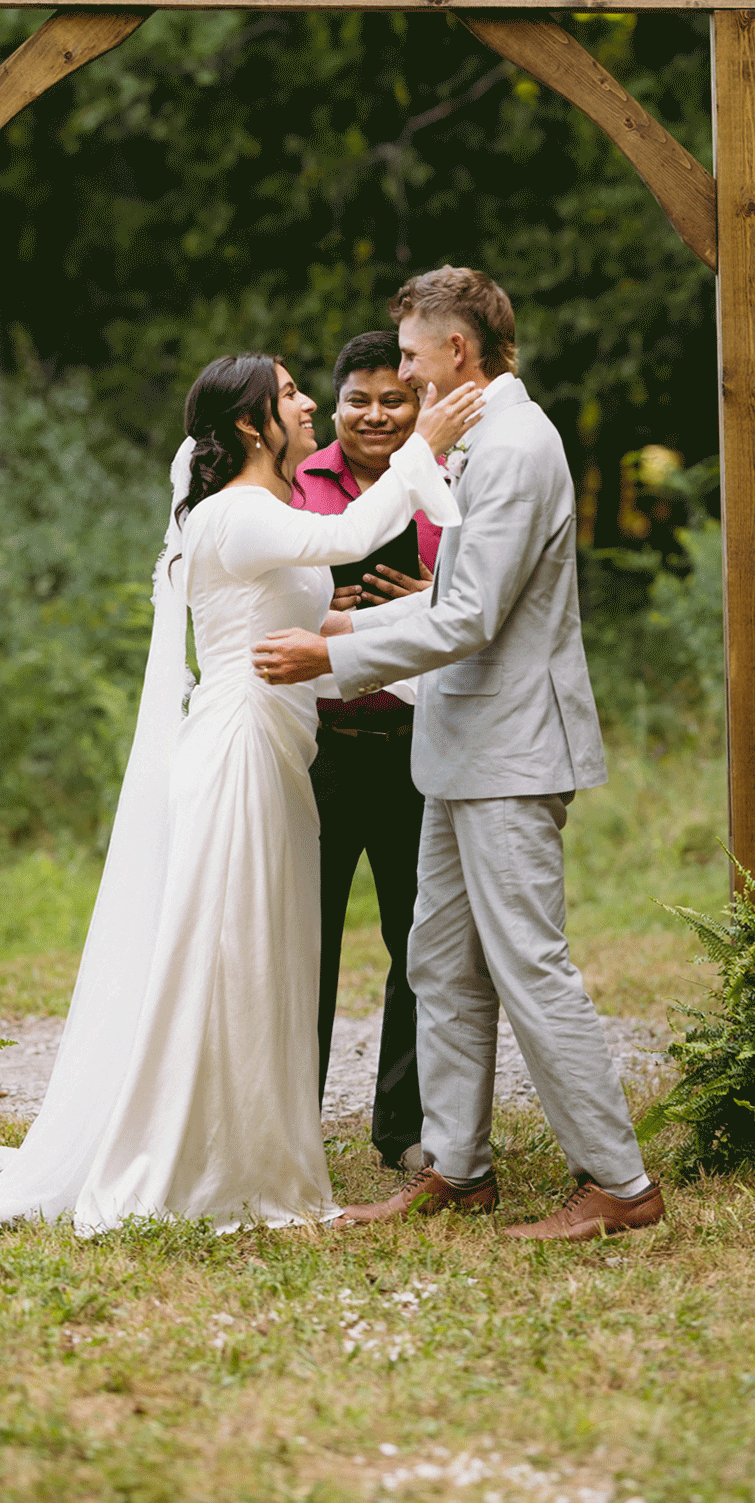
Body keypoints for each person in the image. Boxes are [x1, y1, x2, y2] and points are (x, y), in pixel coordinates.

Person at [0, 353, 478, 1245]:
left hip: (274, 742)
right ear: (255, 427)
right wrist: (424, 441)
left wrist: (434, 662)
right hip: (239, 750)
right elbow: (352, 538)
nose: (307, 407)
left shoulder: (268, 511)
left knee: (264, 947)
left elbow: (317, 628)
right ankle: (199, 1148)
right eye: (292, 394)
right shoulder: (236, 516)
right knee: (230, 947)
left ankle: (250, 1137)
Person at [253, 268, 665, 1243]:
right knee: (437, 959)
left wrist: (335, 653)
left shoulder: (517, 447)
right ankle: (454, 1165)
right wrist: (333, 627)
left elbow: (471, 615)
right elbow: (444, 598)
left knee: (528, 961)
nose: (396, 372)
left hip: (513, 751)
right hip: (457, 749)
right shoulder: (483, 442)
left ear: (455, 352)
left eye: (407, 353)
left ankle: (616, 1180)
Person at [293, 329, 441, 1173]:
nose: (375, 415)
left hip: (413, 743)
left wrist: (428, 597)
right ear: (337, 400)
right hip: (319, 744)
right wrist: (325, 605)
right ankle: (288, 1118)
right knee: (300, 938)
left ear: (417, 402)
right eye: (359, 399)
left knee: (417, 940)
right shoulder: (296, 484)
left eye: (394, 398)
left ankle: (404, 1126)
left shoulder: (445, 485)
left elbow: (476, 605)